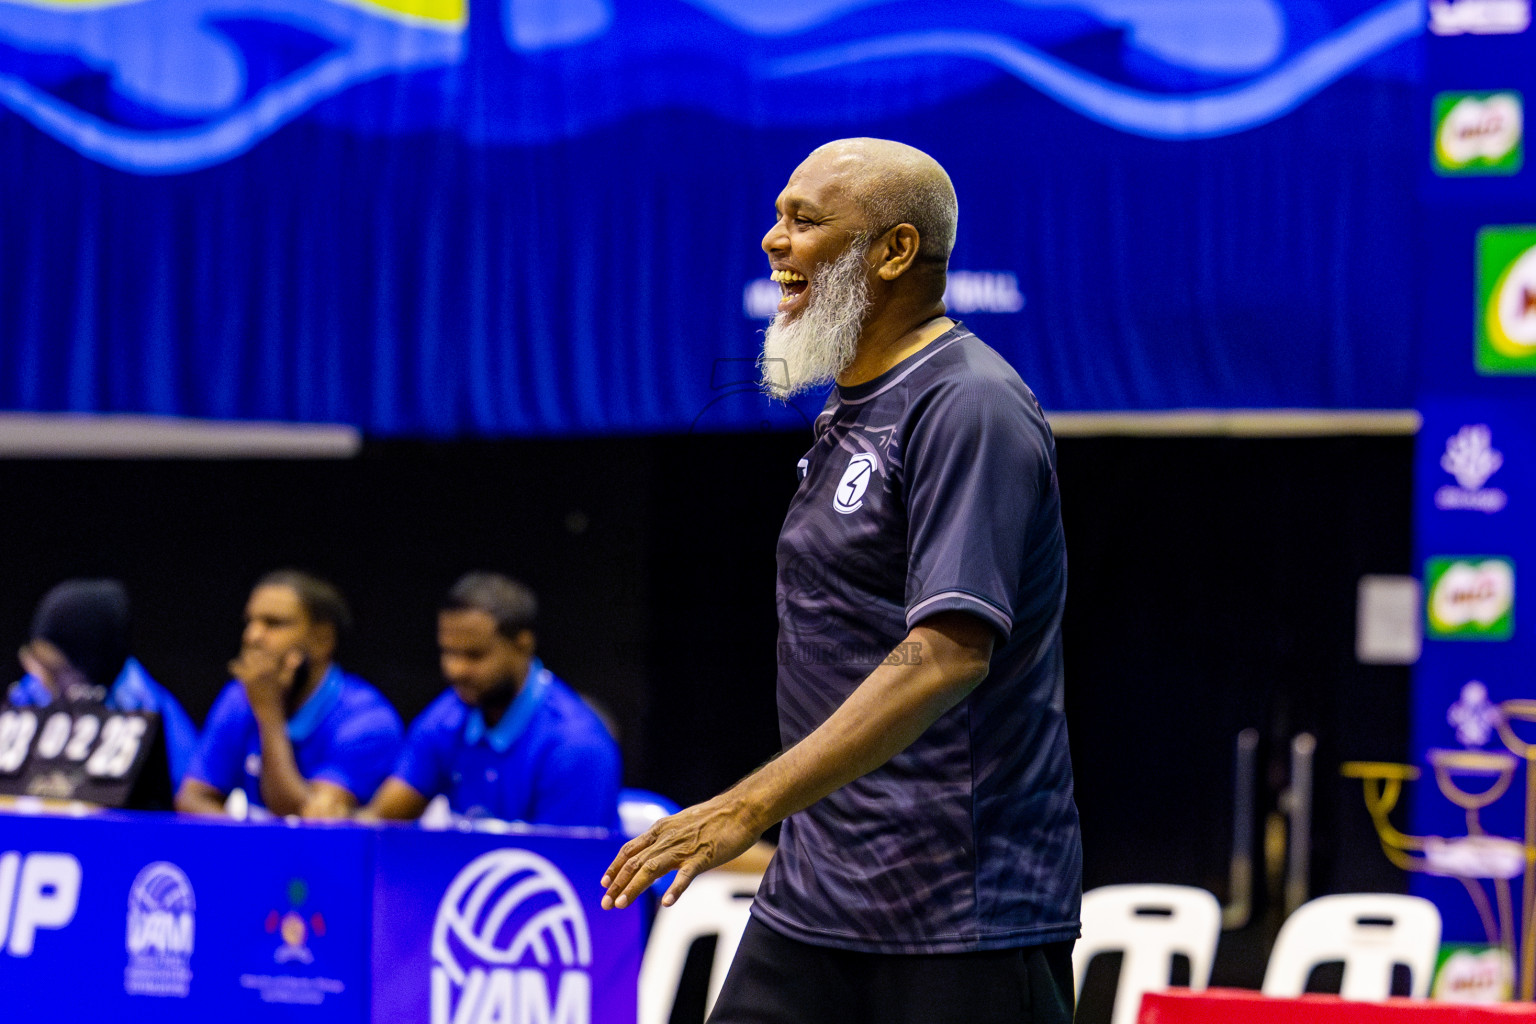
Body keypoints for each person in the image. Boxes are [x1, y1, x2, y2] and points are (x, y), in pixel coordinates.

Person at [601, 138, 1080, 1023]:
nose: (772, 241)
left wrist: (746, 804)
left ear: (895, 251)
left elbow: (945, 655)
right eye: (779, 216)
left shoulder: (970, 403)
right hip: (818, 898)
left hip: (958, 915)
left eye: (804, 221)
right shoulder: (851, 407)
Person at [358, 572, 621, 828]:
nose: (455, 670)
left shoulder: (576, 745)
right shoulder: (446, 717)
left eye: (475, 655)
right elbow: (379, 824)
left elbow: (566, 868)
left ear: (523, 644)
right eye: (448, 652)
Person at [175, 570, 402, 819]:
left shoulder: (368, 721)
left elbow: (306, 820)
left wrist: (270, 715)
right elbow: (191, 798)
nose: (252, 636)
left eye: (273, 623)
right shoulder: (239, 698)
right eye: (249, 622)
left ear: (322, 639)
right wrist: (246, 845)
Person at [8, 578, 199, 790]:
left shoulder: (150, 709)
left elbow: (187, 797)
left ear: (90, 667)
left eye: (56, 671)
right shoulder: (30, 692)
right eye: (36, 663)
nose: (40, 681)